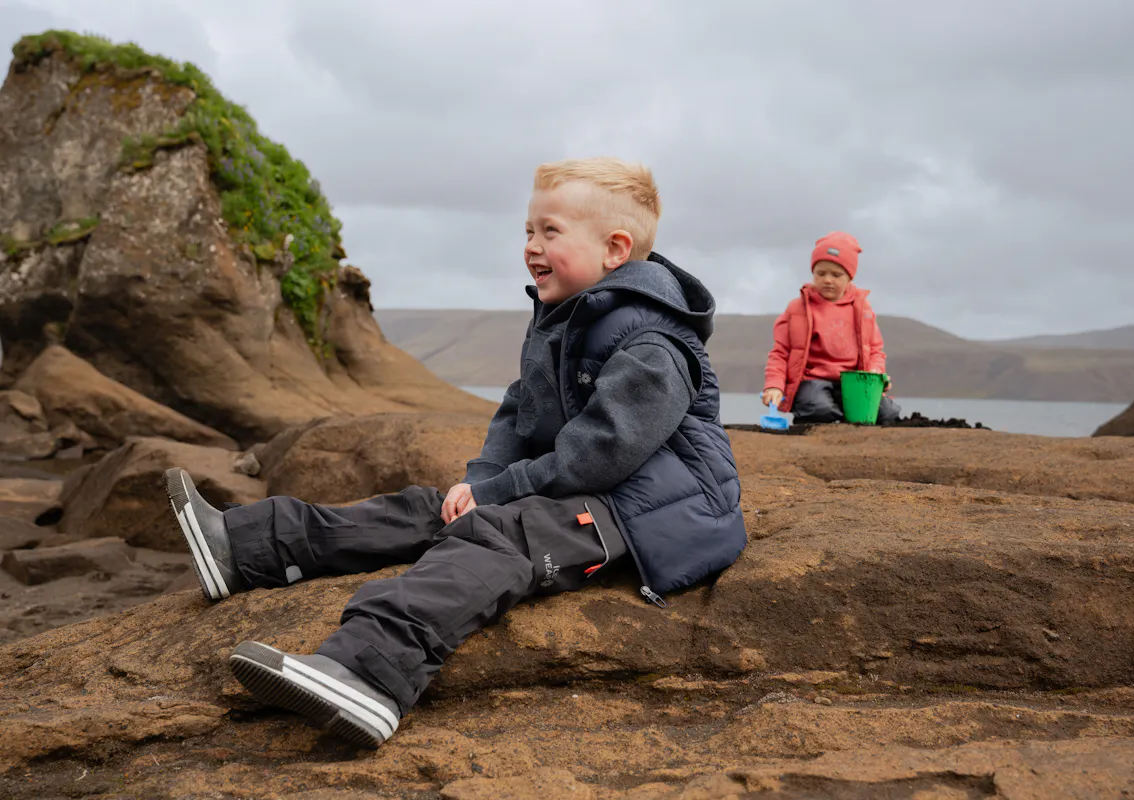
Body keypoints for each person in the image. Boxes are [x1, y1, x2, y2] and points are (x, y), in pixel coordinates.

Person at [162, 157, 746, 749]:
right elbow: (521, 408)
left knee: (496, 538)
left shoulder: (653, 340)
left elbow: (603, 453)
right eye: (528, 230)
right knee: (432, 508)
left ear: (615, 248)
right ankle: (246, 549)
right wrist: (481, 481)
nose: (531, 246)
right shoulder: (567, 314)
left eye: (550, 232)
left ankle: (368, 675)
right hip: (587, 487)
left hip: (645, 512)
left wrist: (497, 496)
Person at [761, 231, 901, 424]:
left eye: (836, 275)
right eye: (820, 273)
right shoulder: (798, 308)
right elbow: (780, 352)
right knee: (819, 410)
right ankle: (834, 415)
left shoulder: (862, 309)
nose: (827, 280)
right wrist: (774, 386)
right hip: (813, 382)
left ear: (849, 278)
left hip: (854, 383)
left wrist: (876, 375)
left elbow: (875, 350)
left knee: (887, 413)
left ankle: (845, 414)